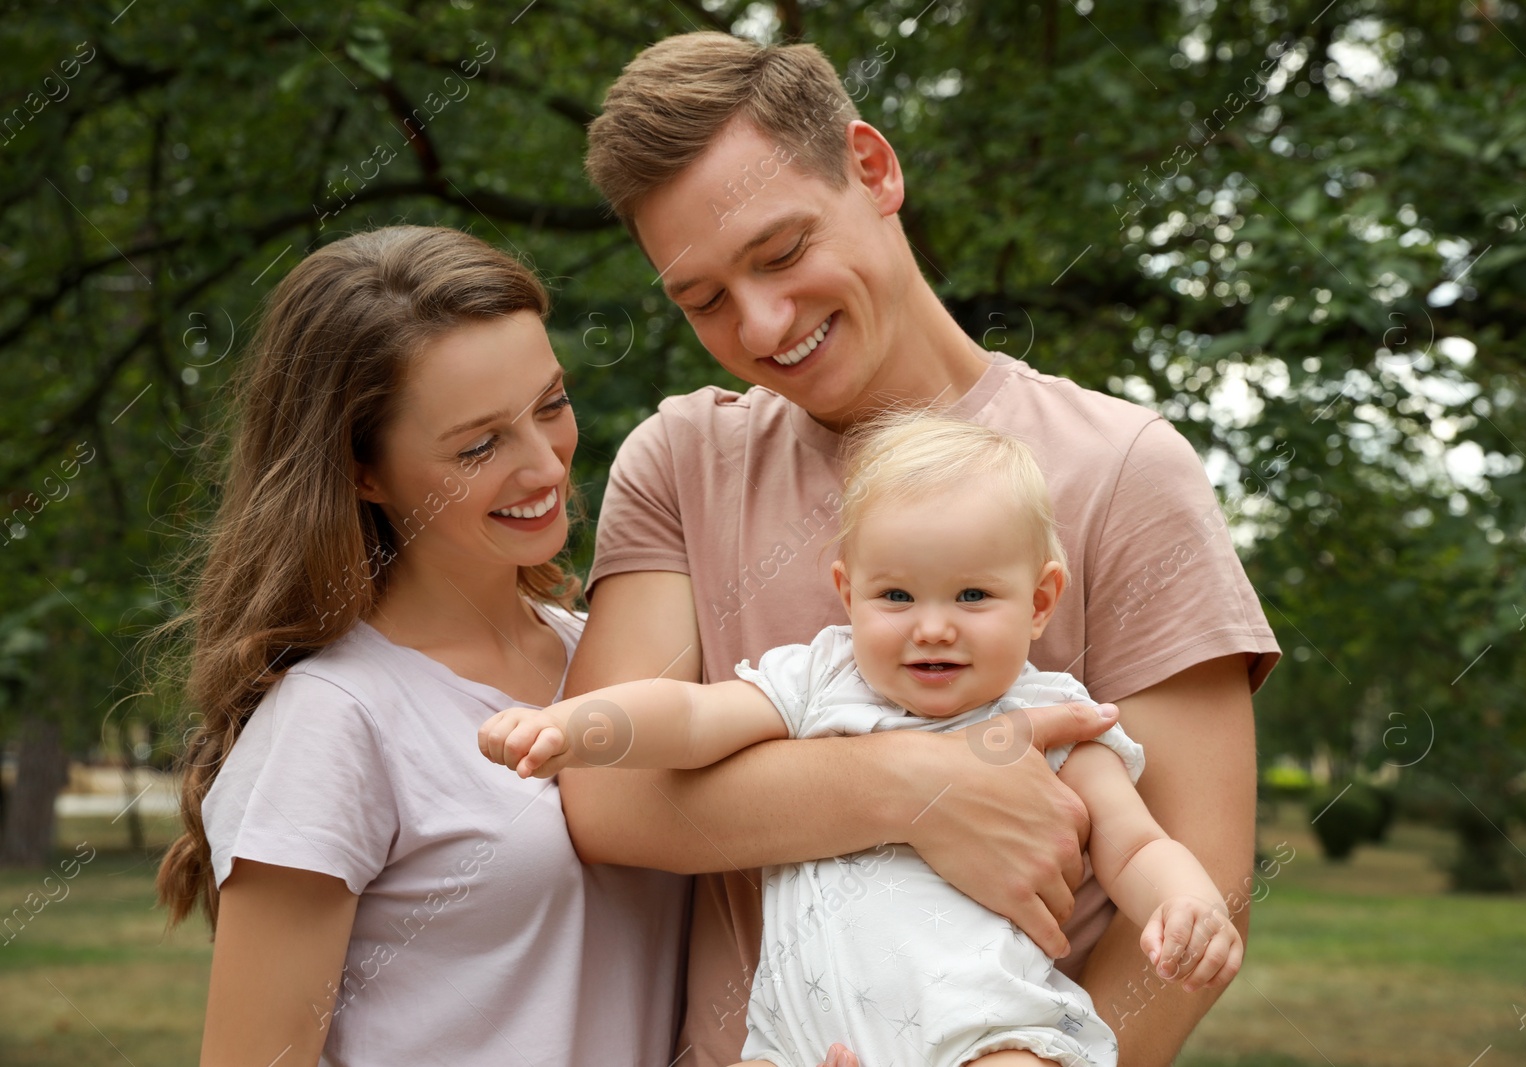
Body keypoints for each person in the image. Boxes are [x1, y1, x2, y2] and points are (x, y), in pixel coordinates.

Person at [563, 31, 1281, 1067]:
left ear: (872, 167)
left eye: (780, 253)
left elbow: (1197, 886)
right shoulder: (680, 462)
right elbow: (609, 794)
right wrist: (914, 786)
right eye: (704, 298)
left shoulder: (1125, 468)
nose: (763, 324)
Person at [482, 415, 1245, 1067]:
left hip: (983, 1034)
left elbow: (1136, 846)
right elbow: (689, 717)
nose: (933, 624)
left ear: (1041, 600)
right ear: (849, 592)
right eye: (897, 595)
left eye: (974, 594)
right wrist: (573, 724)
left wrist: (1184, 902)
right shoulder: (819, 681)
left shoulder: (1058, 720)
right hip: (798, 1038)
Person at [152, 226, 685, 1067]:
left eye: (551, 404)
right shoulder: (334, 721)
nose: (546, 465)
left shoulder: (605, 655)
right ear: (363, 471)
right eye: (480, 444)